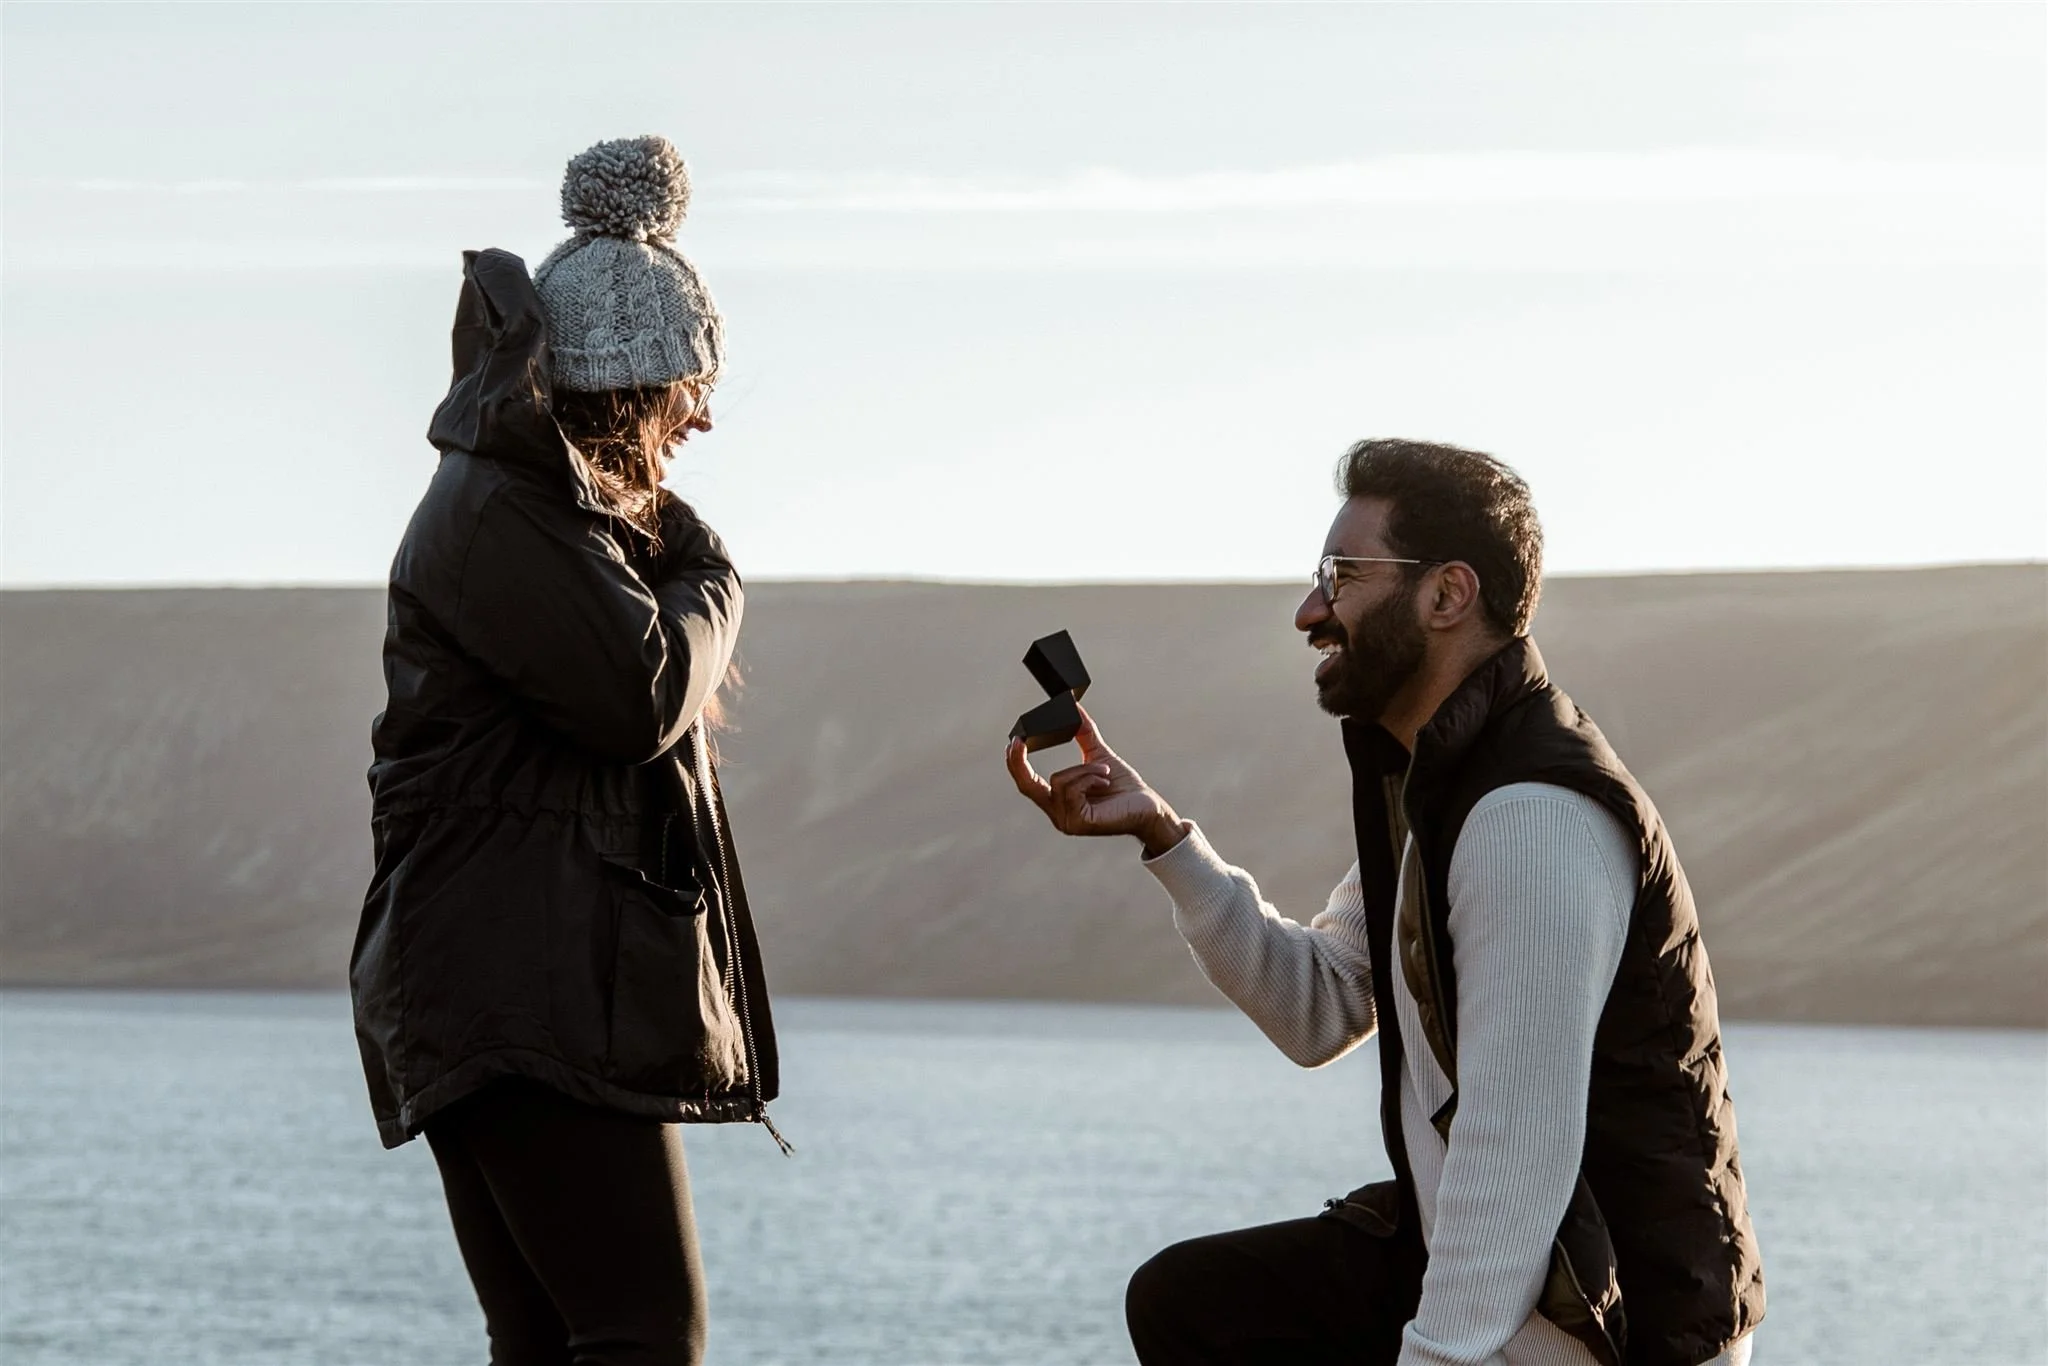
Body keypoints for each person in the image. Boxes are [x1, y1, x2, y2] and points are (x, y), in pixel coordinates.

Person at [1006, 440, 1762, 1366]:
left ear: (1447, 595)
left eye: (1341, 576)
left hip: (1596, 1326)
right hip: (1505, 1278)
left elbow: (1511, 1163)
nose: (1309, 611)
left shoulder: (1530, 818)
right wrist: (1163, 838)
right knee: (1194, 1302)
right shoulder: (1443, 786)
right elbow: (1319, 1009)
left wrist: (1433, 1357)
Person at [351, 135, 781, 1366]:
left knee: (549, 1336)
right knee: (645, 1332)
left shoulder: (524, 514)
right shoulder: (508, 516)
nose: (697, 420)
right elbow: (639, 691)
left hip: (497, 982)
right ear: (629, 393)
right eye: (684, 392)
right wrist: (709, 574)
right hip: (519, 990)